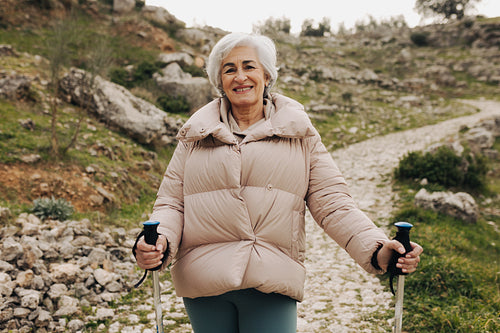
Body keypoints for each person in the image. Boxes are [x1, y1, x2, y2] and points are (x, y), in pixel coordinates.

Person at [134, 32, 423, 333]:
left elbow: (335, 205)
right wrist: (160, 242)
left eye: (249, 66)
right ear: (219, 81)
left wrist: (378, 250)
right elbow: (171, 203)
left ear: (267, 74)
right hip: (205, 283)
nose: (240, 77)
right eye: (229, 69)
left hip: (271, 278)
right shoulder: (194, 136)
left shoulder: (300, 134)